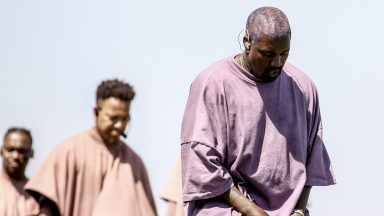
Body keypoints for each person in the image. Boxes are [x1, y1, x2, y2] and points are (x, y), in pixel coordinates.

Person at [180, 6, 336, 216]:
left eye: (284, 54)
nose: (277, 63)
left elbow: (312, 161)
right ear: (246, 42)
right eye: (268, 54)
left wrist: (298, 211)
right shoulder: (213, 84)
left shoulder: (303, 88)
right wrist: (251, 210)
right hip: (226, 210)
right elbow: (200, 162)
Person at [25, 79, 157, 216]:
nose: (119, 125)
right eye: (113, 118)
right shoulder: (68, 152)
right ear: (95, 112)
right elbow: (46, 208)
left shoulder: (134, 163)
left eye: (124, 119)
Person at [0, 127, 39, 215]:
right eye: (10, 150)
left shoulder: (37, 195)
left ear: (31, 153)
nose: (15, 156)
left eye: (22, 151)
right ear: (1, 150)